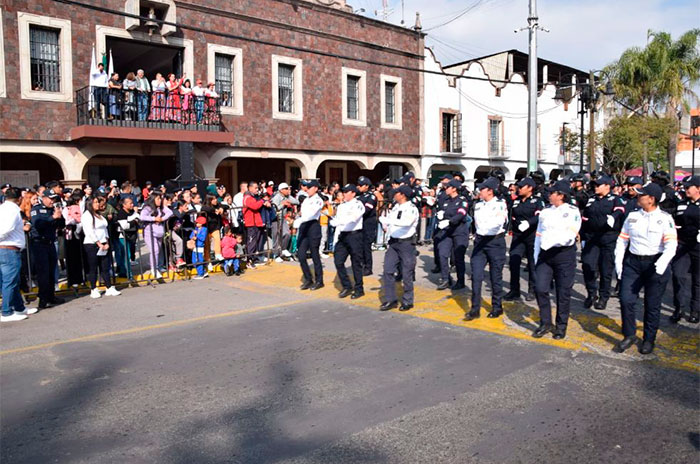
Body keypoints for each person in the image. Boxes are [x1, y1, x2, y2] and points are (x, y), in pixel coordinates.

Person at [614, 183, 677, 354]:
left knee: (652, 304)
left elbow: (671, 244)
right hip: (633, 263)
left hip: (655, 263)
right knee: (626, 299)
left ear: (651, 199)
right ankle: (629, 334)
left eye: (641, 194)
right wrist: (619, 264)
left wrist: (662, 264)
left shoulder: (665, 218)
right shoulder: (633, 216)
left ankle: (649, 339)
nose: (637, 196)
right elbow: (622, 240)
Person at [531, 180, 582, 339]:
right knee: (540, 288)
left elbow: (570, 235)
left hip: (563, 255)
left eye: (552, 192)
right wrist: (536, 254)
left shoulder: (572, 211)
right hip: (545, 255)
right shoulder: (545, 212)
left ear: (561, 195)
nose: (549, 194)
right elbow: (539, 235)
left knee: (563, 292)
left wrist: (551, 242)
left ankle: (561, 326)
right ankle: (545, 322)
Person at [464, 177, 509, 321]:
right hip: (480, 243)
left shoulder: (500, 204)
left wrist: (484, 230)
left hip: (495, 242)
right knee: (476, 276)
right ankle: (475, 309)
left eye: (482, 189)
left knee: (495, 276)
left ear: (490, 191)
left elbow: (499, 222)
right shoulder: (478, 205)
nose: (479, 191)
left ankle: (497, 307)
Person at [580, 175, 626, 310]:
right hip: (592, 238)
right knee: (588, 265)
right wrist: (582, 236)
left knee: (606, 269)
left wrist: (613, 217)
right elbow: (585, 218)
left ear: (607, 186)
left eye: (598, 185)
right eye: (594, 185)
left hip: (608, 238)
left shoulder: (615, 199)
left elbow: (620, 210)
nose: (595, 187)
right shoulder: (591, 199)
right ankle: (591, 293)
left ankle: (603, 297)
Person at [379, 185, 419, 311]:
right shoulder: (396, 207)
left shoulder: (411, 208)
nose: (394, 195)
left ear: (402, 195)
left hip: (406, 244)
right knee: (388, 270)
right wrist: (386, 224)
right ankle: (391, 299)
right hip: (394, 243)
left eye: (397, 193)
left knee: (407, 273)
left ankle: (408, 300)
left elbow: (407, 223)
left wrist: (389, 221)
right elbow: (392, 221)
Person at [504, 177, 544, 301]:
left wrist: (529, 223)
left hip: (532, 236)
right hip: (518, 236)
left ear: (530, 188)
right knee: (514, 262)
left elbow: (540, 215)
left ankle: (532, 290)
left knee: (532, 264)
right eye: (518, 187)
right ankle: (514, 290)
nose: (518, 189)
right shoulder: (517, 201)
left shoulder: (537, 201)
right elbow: (511, 215)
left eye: (521, 187)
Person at [0, 188, 35, 322]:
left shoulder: (3, 208)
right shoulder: (13, 210)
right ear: (19, 198)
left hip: (6, 249)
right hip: (9, 248)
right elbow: (6, 229)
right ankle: (6, 312)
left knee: (11, 281)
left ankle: (19, 308)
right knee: (10, 281)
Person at [670, 175, 700, 323]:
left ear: (698, 189)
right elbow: (675, 221)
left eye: (688, 187)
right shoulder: (681, 204)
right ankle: (679, 308)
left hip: (698, 246)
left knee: (698, 280)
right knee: (678, 275)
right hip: (682, 245)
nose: (685, 189)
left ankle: (695, 310)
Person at [29, 191, 65, 309]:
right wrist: (52, 217)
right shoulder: (37, 209)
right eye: (50, 199)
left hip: (50, 243)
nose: (52, 201)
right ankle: (43, 299)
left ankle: (51, 296)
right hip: (40, 244)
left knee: (51, 271)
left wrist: (59, 216)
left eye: (54, 199)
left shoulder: (52, 209)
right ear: (43, 198)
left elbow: (61, 225)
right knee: (43, 272)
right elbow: (37, 224)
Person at [330, 184, 366, 299]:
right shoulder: (342, 206)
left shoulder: (358, 204)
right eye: (343, 192)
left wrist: (339, 222)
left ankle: (359, 289)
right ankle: (347, 286)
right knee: (338, 261)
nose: (344, 194)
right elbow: (338, 223)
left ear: (353, 193)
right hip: (343, 235)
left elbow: (354, 218)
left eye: (347, 192)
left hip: (354, 235)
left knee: (356, 263)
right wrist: (336, 237)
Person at [82, 196, 121, 298]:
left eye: (98, 202)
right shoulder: (87, 215)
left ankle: (108, 287)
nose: (98, 204)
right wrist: (98, 243)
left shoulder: (99, 215)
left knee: (105, 267)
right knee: (93, 267)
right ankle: (93, 288)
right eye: (95, 202)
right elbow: (89, 231)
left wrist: (107, 242)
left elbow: (105, 229)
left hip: (104, 242)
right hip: (92, 244)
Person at [435, 179, 470, 290]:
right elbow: (443, 212)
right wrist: (440, 215)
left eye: (448, 187)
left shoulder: (462, 200)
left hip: (459, 232)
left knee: (458, 257)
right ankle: (446, 279)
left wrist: (450, 221)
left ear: (454, 188)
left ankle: (460, 281)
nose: (446, 188)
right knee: (442, 254)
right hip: (447, 231)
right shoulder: (446, 201)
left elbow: (462, 213)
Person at [296, 180, 324, 290]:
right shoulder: (306, 200)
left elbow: (311, 213)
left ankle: (319, 280)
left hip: (313, 226)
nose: (307, 189)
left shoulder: (318, 200)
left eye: (310, 187)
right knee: (301, 255)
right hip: (304, 227)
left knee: (315, 255)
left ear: (316, 188)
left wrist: (301, 219)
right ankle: (308, 279)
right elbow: (302, 212)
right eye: (307, 187)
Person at [140, 193, 172, 279]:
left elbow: (169, 212)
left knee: (158, 250)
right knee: (155, 250)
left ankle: (157, 266)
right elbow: (142, 216)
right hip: (149, 232)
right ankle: (154, 269)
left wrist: (162, 218)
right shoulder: (148, 208)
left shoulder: (161, 207)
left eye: (160, 199)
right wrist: (154, 219)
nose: (160, 200)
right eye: (158, 199)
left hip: (159, 232)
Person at [242, 182, 268, 268]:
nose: (257, 189)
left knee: (255, 241)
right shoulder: (247, 197)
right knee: (251, 242)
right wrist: (262, 201)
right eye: (256, 188)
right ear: (250, 188)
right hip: (250, 223)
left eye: (258, 188)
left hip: (256, 222)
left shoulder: (253, 197)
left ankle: (254, 259)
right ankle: (249, 261)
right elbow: (254, 206)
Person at [271, 182, 298, 261]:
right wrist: (282, 204)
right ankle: (276, 255)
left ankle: (283, 249)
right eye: (286, 189)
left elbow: (296, 202)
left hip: (283, 218)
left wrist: (289, 197)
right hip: (275, 219)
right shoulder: (276, 197)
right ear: (281, 190)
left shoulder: (287, 196)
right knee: (276, 236)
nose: (288, 190)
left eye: (288, 188)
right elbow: (274, 209)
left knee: (287, 233)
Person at [357, 176, 378, 276]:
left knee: (366, 247)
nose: (359, 187)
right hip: (359, 224)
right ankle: (361, 265)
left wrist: (355, 213)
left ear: (366, 186)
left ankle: (368, 267)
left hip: (368, 224)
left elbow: (367, 209)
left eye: (361, 185)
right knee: (359, 247)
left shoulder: (371, 196)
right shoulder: (358, 196)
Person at [116, 196, 139, 279]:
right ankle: (128, 274)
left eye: (132, 203)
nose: (132, 205)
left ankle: (123, 272)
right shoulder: (121, 213)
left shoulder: (132, 211)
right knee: (126, 255)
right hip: (123, 237)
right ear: (124, 205)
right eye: (130, 203)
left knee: (125, 255)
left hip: (131, 236)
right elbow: (124, 226)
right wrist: (134, 221)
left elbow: (138, 217)